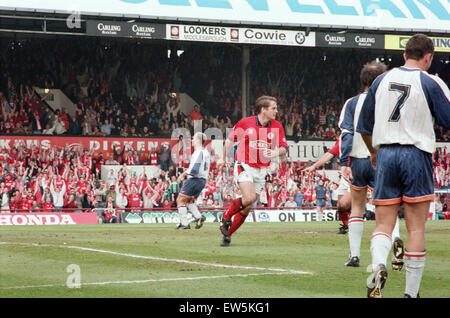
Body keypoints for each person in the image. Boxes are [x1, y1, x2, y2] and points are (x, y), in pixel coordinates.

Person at [357, 34, 450, 298]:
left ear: (403, 55)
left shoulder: (380, 80)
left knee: (383, 224)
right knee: (416, 228)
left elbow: (364, 127)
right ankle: (411, 293)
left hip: (385, 152)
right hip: (415, 153)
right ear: (428, 57)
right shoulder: (431, 81)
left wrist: (374, 152)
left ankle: (377, 267)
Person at [339, 60, 404, 269]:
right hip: (383, 157)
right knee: (388, 207)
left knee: (357, 206)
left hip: (358, 159)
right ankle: (395, 242)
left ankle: (355, 256)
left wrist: (343, 162)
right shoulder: (390, 101)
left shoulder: (351, 103)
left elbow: (346, 133)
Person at [217, 95, 288, 247]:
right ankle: (226, 216)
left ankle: (227, 234)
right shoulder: (245, 122)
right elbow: (230, 140)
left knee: (248, 207)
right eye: (273, 108)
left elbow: (284, 147)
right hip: (244, 164)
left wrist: (275, 153)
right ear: (263, 109)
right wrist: (222, 158)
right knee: (248, 198)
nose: (276, 111)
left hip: (261, 170)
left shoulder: (277, 126)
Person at [302, 139, 351, 234]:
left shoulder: (356, 135)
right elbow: (329, 154)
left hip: (355, 173)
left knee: (350, 205)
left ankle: (354, 227)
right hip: (344, 176)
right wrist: (314, 166)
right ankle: (346, 226)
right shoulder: (342, 139)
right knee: (341, 206)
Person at [175, 132, 210, 230]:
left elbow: (195, 169)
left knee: (180, 200)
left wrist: (182, 175)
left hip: (195, 179)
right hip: (202, 180)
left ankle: (184, 223)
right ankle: (198, 217)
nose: (192, 140)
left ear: (198, 140)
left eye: (193, 138)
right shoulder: (206, 152)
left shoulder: (199, 152)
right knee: (189, 201)